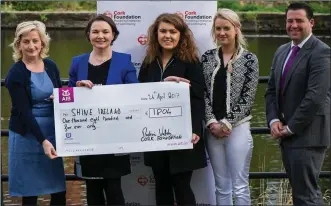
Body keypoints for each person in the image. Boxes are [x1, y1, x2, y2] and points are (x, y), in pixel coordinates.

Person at [68, 14, 138, 206]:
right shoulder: (77, 62)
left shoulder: (124, 61)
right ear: (88, 35)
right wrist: (76, 89)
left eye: (106, 31)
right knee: (92, 190)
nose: (101, 36)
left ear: (113, 35)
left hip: (115, 136)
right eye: (95, 31)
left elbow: (136, 93)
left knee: (114, 189)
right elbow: (69, 98)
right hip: (87, 136)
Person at [265, 2, 330, 205]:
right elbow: (271, 91)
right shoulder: (282, 51)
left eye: (299, 20)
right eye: (289, 21)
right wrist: (274, 119)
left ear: (311, 22)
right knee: (300, 194)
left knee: (307, 196)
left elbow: (315, 97)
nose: (293, 25)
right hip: (286, 134)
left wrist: (291, 127)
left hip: (308, 135)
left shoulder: (321, 52)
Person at [138, 13, 206, 206]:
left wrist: (194, 129)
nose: (167, 36)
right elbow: (140, 95)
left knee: (182, 187)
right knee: (162, 186)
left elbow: (199, 97)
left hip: (183, 134)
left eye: (173, 32)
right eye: (163, 31)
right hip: (155, 136)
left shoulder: (191, 61)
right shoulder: (149, 62)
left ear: (181, 35)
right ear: (156, 34)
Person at [201, 8, 259, 205]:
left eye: (226, 28)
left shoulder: (249, 59)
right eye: (218, 29)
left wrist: (227, 123)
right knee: (221, 186)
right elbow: (203, 94)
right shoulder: (207, 58)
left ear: (236, 29)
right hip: (212, 129)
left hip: (238, 128)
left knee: (240, 187)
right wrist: (212, 122)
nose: (222, 33)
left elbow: (248, 96)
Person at [5, 21, 66, 205]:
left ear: (42, 43)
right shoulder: (16, 73)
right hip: (28, 135)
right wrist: (43, 141)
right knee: (30, 194)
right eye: (26, 42)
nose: (31, 46)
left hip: (53, 134)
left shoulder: (51, 65)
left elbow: (61, 94)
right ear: (19, 44)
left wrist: (72, 93)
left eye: (35, 41)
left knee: (58, 191)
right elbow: (24, 112)